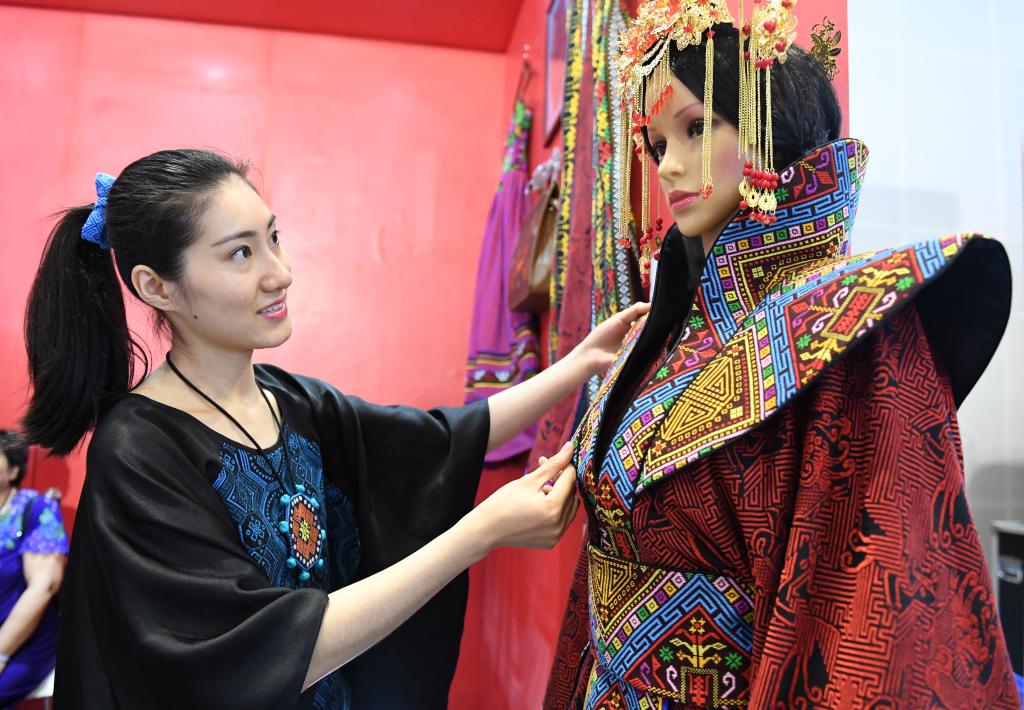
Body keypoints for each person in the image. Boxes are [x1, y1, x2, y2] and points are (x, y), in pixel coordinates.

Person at [20, 148, 650, 708]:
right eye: (240, 253)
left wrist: (580, 364)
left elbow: (436, 441)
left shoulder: (291, 401)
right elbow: (256, 651)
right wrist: (480, 534)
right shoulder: (139, 449)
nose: (280, 272)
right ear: (156, 287)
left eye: (273, 237)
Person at [544, 0, 1020, 707]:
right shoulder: (664, 330)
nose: (668, 164)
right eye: (656, 142)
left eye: (696, 127)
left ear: (769, 130)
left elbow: (869, 613)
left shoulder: (855, 330)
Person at [0, 430, 66, 709]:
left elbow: (43, 587)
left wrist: (1, 654)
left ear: (13, 470)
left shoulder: (37, 509)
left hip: (23, 640)